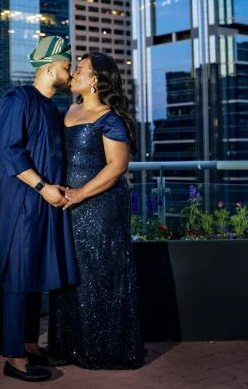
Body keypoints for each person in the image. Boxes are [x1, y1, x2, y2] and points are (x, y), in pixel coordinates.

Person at [0, 36, 78, 382]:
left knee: (35, 278)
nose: (71, 72)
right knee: (19, 280)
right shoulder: (18, 98)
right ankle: (14, 359)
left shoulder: (53, 108)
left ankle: (31, 347)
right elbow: (10, 151)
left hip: (47, 202)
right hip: (24, 204)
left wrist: (57, 189)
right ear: (50, 67)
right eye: (67, 66)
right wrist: (42, 187)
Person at [48, 52, 145, 370]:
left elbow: (117, 167)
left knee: (100, 275)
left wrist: (78, 195)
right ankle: (70, 346)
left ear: (97, 80)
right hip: (68, 205)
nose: (74, 73)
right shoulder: (70, 108)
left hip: (100, 207)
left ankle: (103, 349)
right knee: (71, 273)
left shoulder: (109, 117)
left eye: (80, 70)